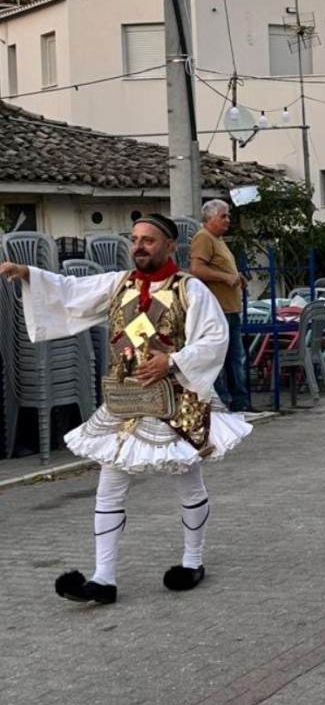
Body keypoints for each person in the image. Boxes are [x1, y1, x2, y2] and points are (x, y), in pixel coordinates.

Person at [0, 214, 252, 604]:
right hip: (126, 403)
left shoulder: (191, 290)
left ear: (170, 245)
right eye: (135, 239)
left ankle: (192, 560)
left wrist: (172, 362)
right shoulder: (119, 283)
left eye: (148, 240)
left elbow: (215, 338)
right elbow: (70, 290)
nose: (139, 246)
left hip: (177, 402)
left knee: (187, 479)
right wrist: (30, 273)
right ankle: (103, 578)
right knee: (109, 486)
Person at [189, 199, 252, 413]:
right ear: (210, 218)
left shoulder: (219, 239)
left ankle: (239, 400)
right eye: (223, 216)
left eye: (227, 216)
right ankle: (223, 400)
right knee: (222, 359)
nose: (227, 220)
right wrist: (225, 278)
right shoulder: (204, 238)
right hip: (218, 310)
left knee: (235, 358)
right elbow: (197, 269)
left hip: (231, 309)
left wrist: (236, 277)